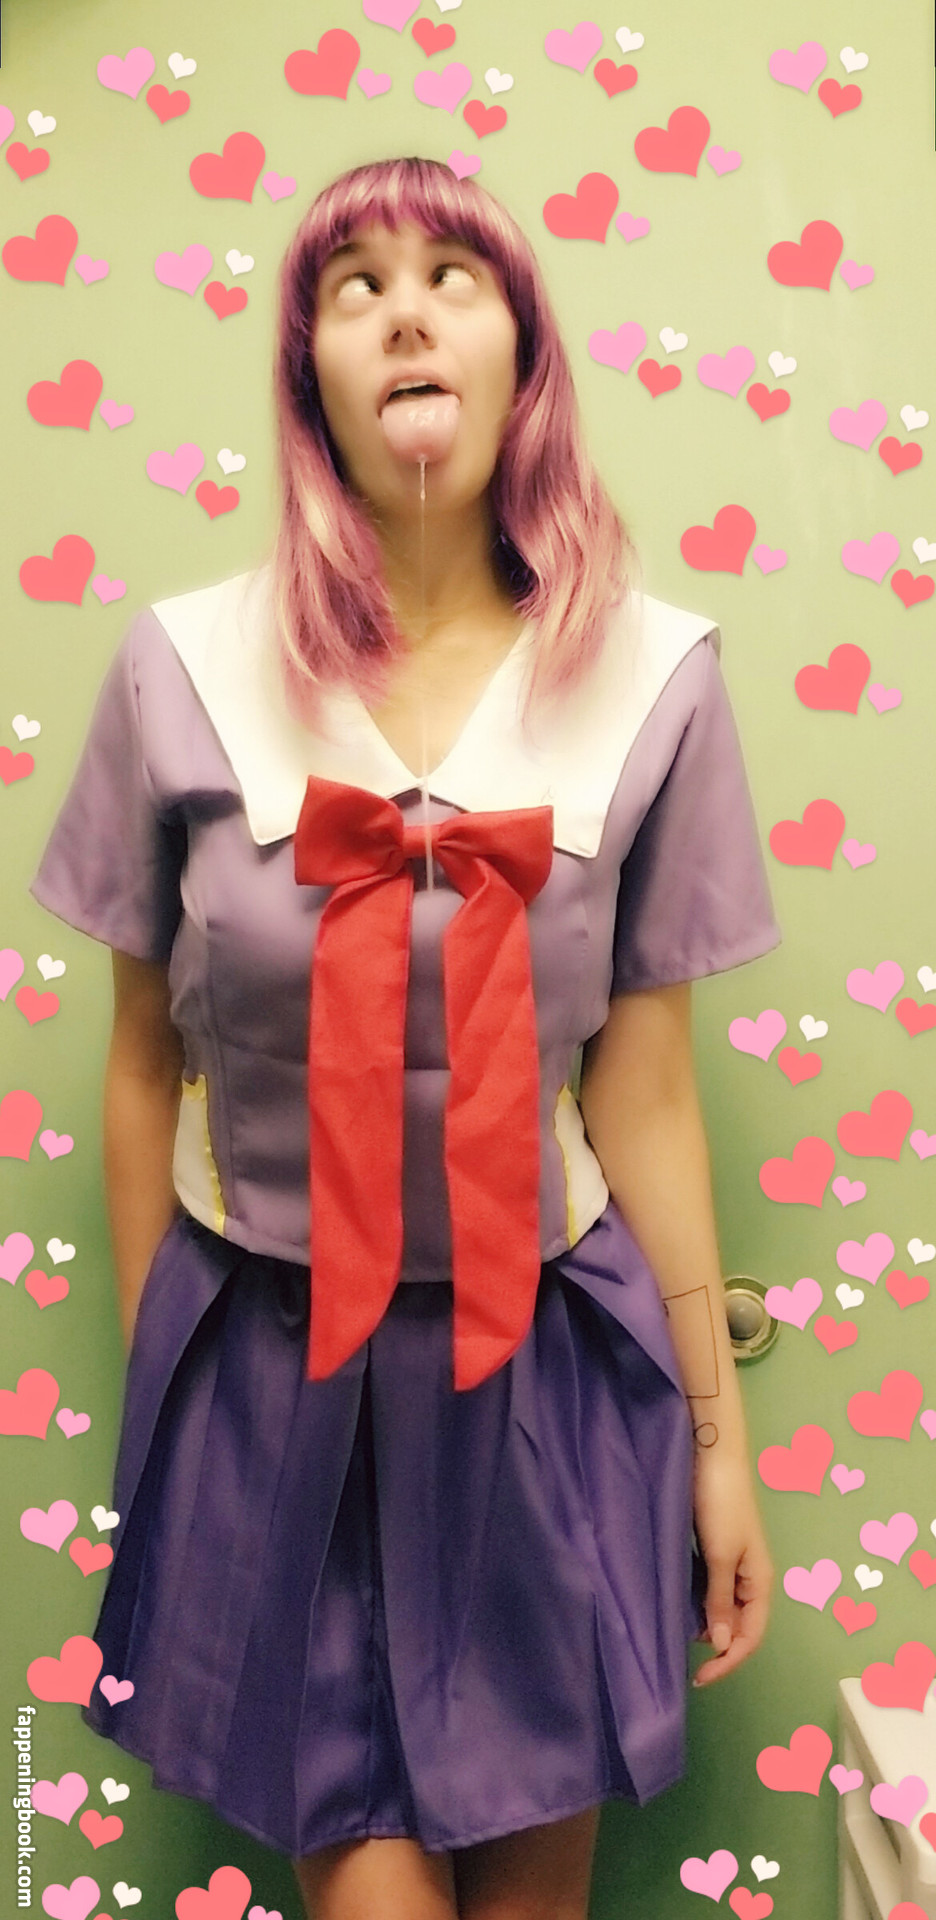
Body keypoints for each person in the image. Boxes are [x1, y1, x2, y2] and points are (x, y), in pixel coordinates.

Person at [28, 156, 780, 1920]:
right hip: (274, 1371)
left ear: (523, 349)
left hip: (551, 1374)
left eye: (453, 273)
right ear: (311, 372)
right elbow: (139, 1067)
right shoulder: (180, 667)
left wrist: (720, 1449)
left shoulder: (654, 676)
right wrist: (175, 1402)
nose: (405, 310)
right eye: (353, 285)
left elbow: (647, 1095)